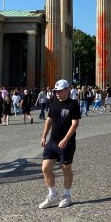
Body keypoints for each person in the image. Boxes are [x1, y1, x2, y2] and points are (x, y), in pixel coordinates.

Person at [39, 79, 80, 209]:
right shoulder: (53, 102)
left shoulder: (73, 105)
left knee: (66, 169)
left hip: (67, 143)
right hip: (52, 141)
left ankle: (67, 195)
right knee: (45, 168)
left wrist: (66, 139)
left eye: (60, 91)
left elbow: (75, 124)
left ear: (67, 90)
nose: (57, 93)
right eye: (56, 91)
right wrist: (44, 136)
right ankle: (52, 194)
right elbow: (49, 120)